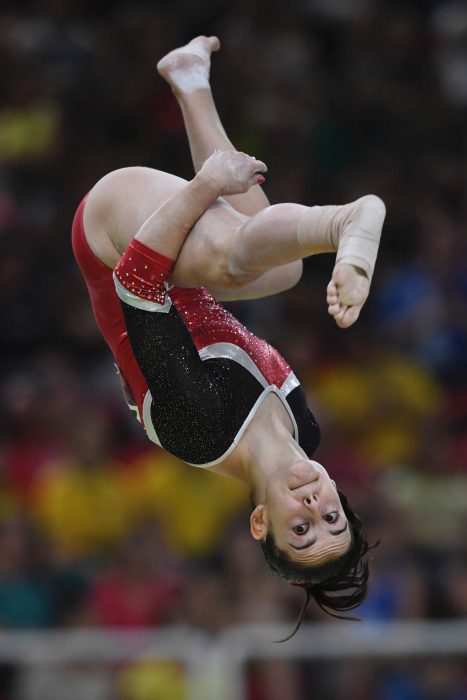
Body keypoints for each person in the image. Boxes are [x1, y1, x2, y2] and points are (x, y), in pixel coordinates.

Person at [72, 36, 385, 636]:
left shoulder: (202, 430)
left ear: (259, 523)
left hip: (113, 242)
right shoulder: (306, 430)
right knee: (283, 266)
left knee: (238, 257)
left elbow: (138, 282)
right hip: (180, 277)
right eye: (333, 519)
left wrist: (208, 185)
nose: (315, 507)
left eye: (301, 528)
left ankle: (347, 218)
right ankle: (190, 80)